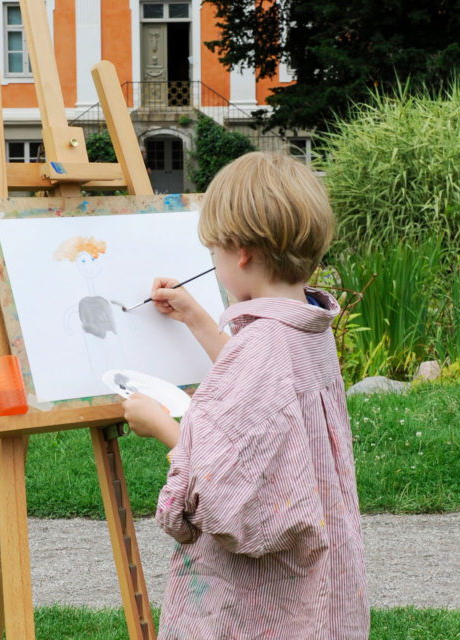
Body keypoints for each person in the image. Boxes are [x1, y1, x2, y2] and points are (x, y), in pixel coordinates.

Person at [123, 151, 370, 639]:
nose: (212, 266)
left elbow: (218, 494)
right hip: (321, 574)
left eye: (213, 253)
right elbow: (262, 384)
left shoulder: (262, 348)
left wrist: (163, 428)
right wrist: (196, 317)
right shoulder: (306, 324)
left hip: (265, 601)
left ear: (240, 252)